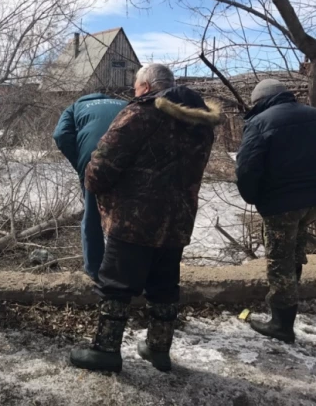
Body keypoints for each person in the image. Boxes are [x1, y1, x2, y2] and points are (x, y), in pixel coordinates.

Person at [70, 64, 221, 373]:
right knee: (164, 285)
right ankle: (158, 349)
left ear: (147, 87)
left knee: (115, 285)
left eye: (137, 87)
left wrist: (95, 187)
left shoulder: (140, 113)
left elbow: (101, 166)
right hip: (178, 218)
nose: (134, 92)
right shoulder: (202, 124)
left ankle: (106, 351)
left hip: (134, 218)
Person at [236, 79, 316, 343]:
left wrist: (254, 197)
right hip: (311, 202)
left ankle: (282, 324)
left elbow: (247, 168)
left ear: (260, 100)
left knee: (279, 262)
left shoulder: (260, 123)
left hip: (281, 205)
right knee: (294, 252)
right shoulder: (312, 115)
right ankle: (289, 307)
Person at [53, 91, 127, 281]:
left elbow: (61, 135)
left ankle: (94, 271)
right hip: (129, 158)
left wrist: (80, 162)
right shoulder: (125, 103)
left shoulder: (76, 107)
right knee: (126, 214)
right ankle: (126, 268)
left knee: (92, 214)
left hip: (93, 159)